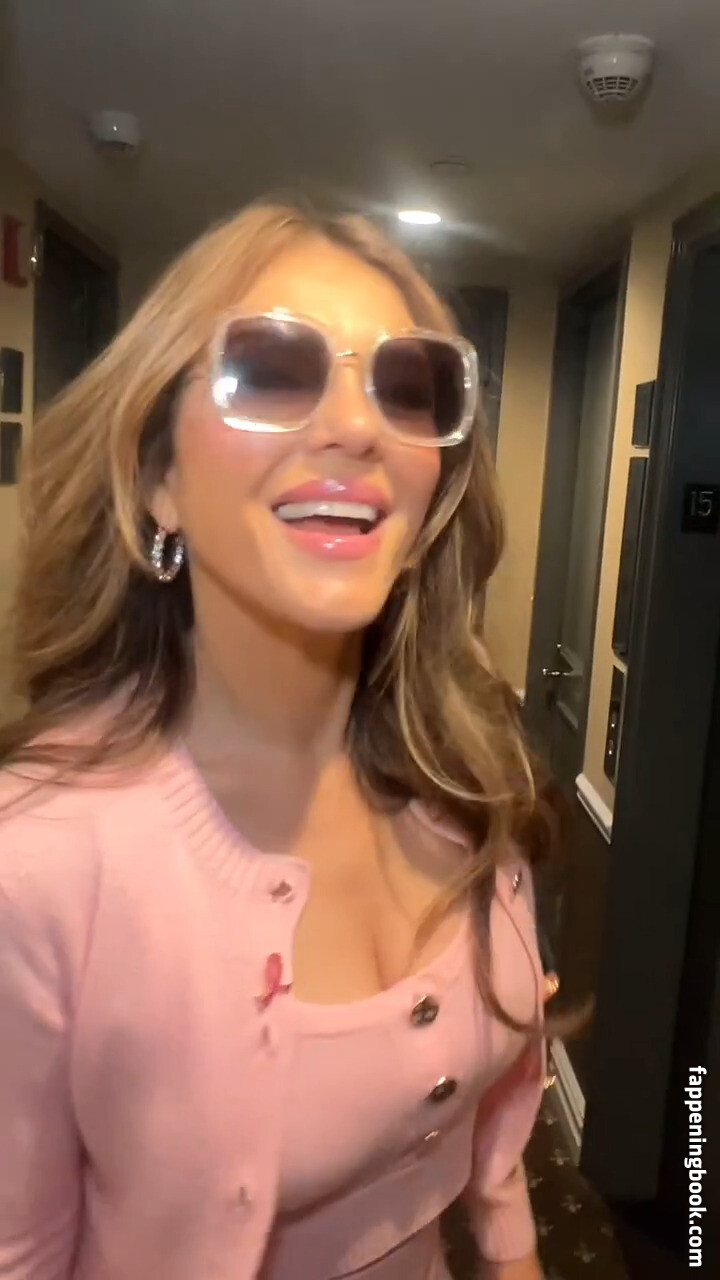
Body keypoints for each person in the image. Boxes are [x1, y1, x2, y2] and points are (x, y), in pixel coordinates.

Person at [0, 200, 559, 1280]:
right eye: (269, 370)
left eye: (406, 387)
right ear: (157, 479)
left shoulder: (464, 772)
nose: (358, 426)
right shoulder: (36, 861)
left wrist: (512, 1247)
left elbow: (493, 1122)